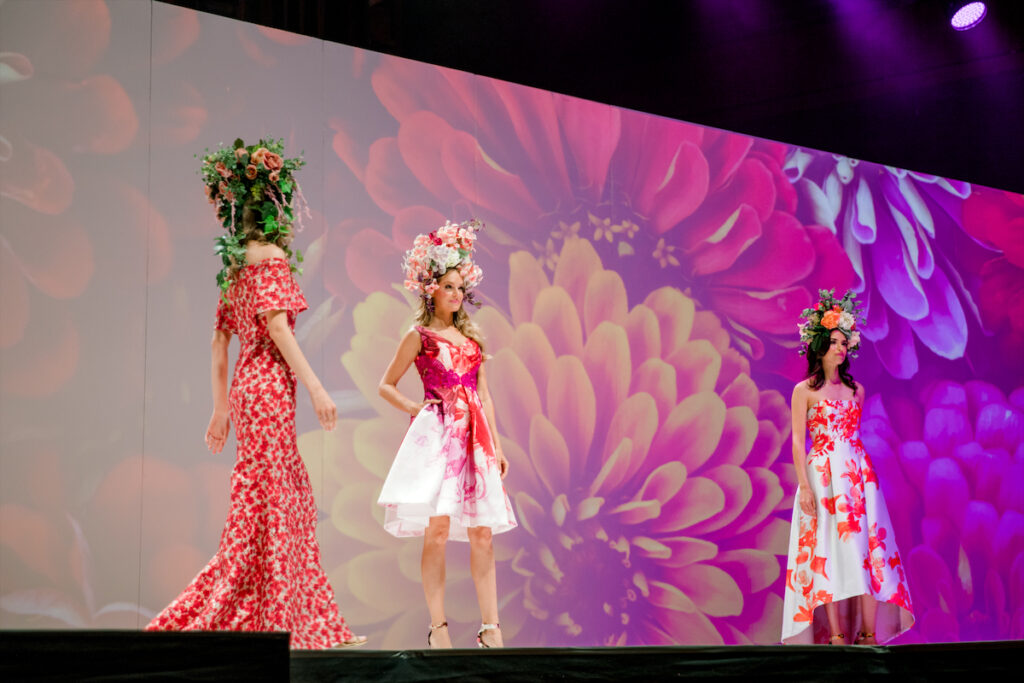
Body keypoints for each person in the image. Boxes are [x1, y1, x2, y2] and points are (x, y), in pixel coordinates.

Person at [147, 140, 365, 649]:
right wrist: (316, 388)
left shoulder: (235, 264)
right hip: (269, 386)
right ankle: (282, 621)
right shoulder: (270, 258)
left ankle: (297, 618)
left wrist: (221, 408)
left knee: (270, 497)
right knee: (276, 499)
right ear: (274, 208)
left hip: (249, 390)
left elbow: (220, 340)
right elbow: (278, 329)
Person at [376, 219, 517, 649]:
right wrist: (416, 408)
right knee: (436, 531)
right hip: (439, 440)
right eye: (448, 287)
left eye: (461, 288)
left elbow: (485, 396)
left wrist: (497, 444)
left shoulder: (472, 341)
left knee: (482, 532)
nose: (456, 295)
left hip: (473, 439)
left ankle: (490, 628)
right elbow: (385, 384)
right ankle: (438, 628)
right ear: (430, 290)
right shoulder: (419, 337)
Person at [781, 289, 914, 645]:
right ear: (821, 345)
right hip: (822, 476)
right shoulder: (804, 391)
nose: (842, 349)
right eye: (836, 343)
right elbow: (797, 442)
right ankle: (837, 635)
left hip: (857, 475)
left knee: (866, 551)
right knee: (829, 552)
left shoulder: (857, 390)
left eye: (845, 343)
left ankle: (868, 633)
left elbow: (852, 436)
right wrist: (805, 487)